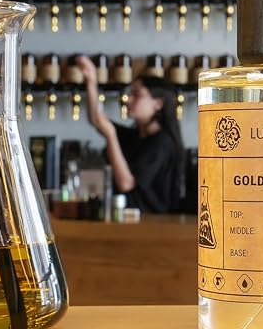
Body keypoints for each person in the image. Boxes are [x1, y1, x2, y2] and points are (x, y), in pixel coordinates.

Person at [77, 56, 185, 213]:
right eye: (130, 93)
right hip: (128, 219)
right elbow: (96, 119)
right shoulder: (135, 135)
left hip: (153, 223)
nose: (128, 100)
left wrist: (111, 136)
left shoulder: (163, 142)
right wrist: (91, 80)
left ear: (158, 104)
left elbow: (127, 183)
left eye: (137, 95)